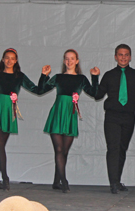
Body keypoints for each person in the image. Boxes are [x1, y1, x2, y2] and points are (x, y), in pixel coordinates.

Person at [94, 44, 135, 194]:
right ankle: (113, 182)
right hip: (112, 116)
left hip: (128, 117)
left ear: (130, 57)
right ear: (115, 57)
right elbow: (97, 95)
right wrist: (95, 78)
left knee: (122, 149)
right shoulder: (109, 75)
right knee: (113, 148)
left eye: (126, 55)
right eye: (120, 55)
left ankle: (117, 180)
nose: (123, 57)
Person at [0, 48, 43, 191]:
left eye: (12, 58)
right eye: (6, 58)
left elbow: (37, 90)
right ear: (2, 59)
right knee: (0, 144)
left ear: (16, 60)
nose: (9, 60)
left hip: (9, 111)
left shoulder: (19, 76)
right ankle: (5, 177)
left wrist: (44, 76)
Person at [38, 49, 99, 193]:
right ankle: (63, 181)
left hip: (70, 115)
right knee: (59, 149)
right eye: (67, 59)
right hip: (58, 113)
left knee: (64, 151)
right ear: (64, 61)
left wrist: (95, 77)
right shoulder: (58, 77)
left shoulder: (81, 79)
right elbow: (41, 90)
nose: (69, 61)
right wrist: (43, 76)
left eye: (72, 59)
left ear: (77, 61)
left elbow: (95, 93)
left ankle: (56, 181)